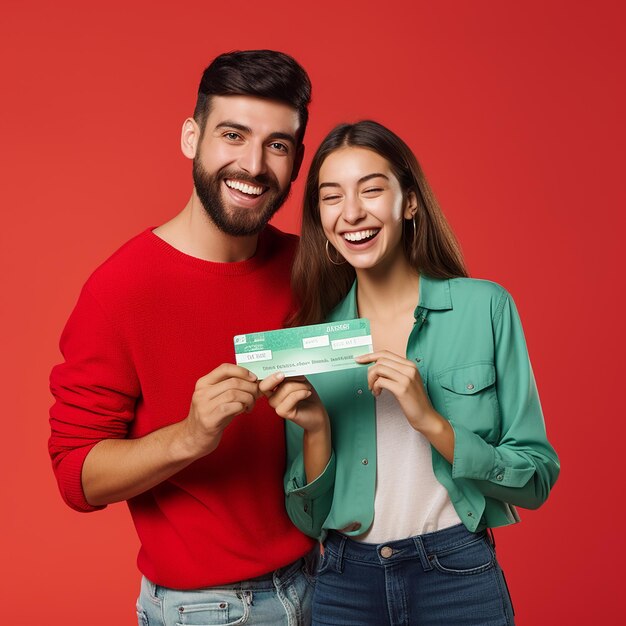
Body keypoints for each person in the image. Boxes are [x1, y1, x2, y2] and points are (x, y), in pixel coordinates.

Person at [48, 49, 317, 626]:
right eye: (232, 135)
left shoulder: (310, 269)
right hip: (204, 609)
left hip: (328, 583)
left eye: (277, 145)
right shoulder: (118, 290)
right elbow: (76, 475)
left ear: (296, 163)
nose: (253, 164)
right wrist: (190, 437)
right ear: (191, 137)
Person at [260, 120, 560, 625]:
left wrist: (431, 423)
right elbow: (307, 518)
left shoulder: (485, 307)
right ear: (320, 218)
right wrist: (315, 430)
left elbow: (537, 478)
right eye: (331, 197)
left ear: (411, 202)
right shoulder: (311, 338)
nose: (352, 212)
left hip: (456, 576)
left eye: (371, 190)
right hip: (343, 582)